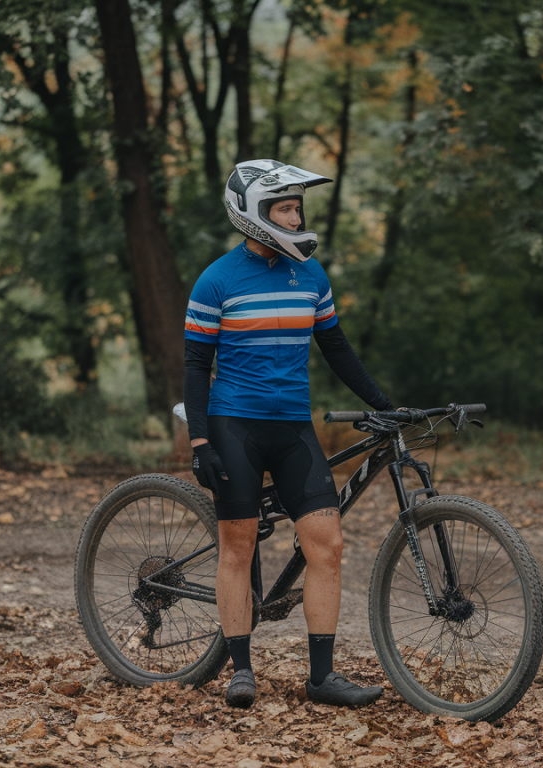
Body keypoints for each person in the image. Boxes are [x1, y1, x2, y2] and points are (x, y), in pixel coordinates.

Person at [183, 159, 393, 709]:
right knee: (239, 545)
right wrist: (200, 442)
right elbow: (194, 366)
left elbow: (337, 348)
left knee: (327, 545)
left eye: (298, 206)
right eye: (285, 207)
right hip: (235, 427)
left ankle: (321, 678)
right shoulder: (217, 280)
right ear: (254, 214)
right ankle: (241, 670)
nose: (296, 216)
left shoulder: (311, 276)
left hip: (293, 428)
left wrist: (384, 404)